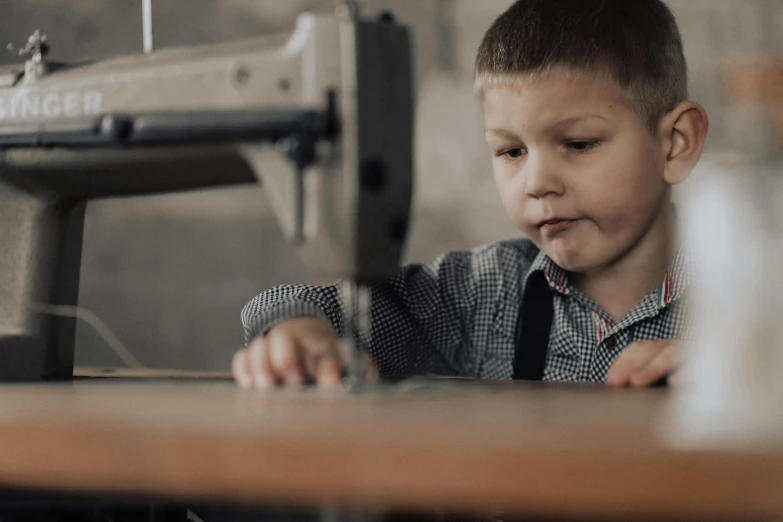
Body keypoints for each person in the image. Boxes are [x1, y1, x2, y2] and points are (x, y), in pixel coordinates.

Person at [232, 0, 708, 390]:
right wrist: (301, 334)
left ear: (675, 143)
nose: (537, 182)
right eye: (511, 151)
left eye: (578, 144)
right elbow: (295, 300)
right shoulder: (483, 295)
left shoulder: (755, 298)